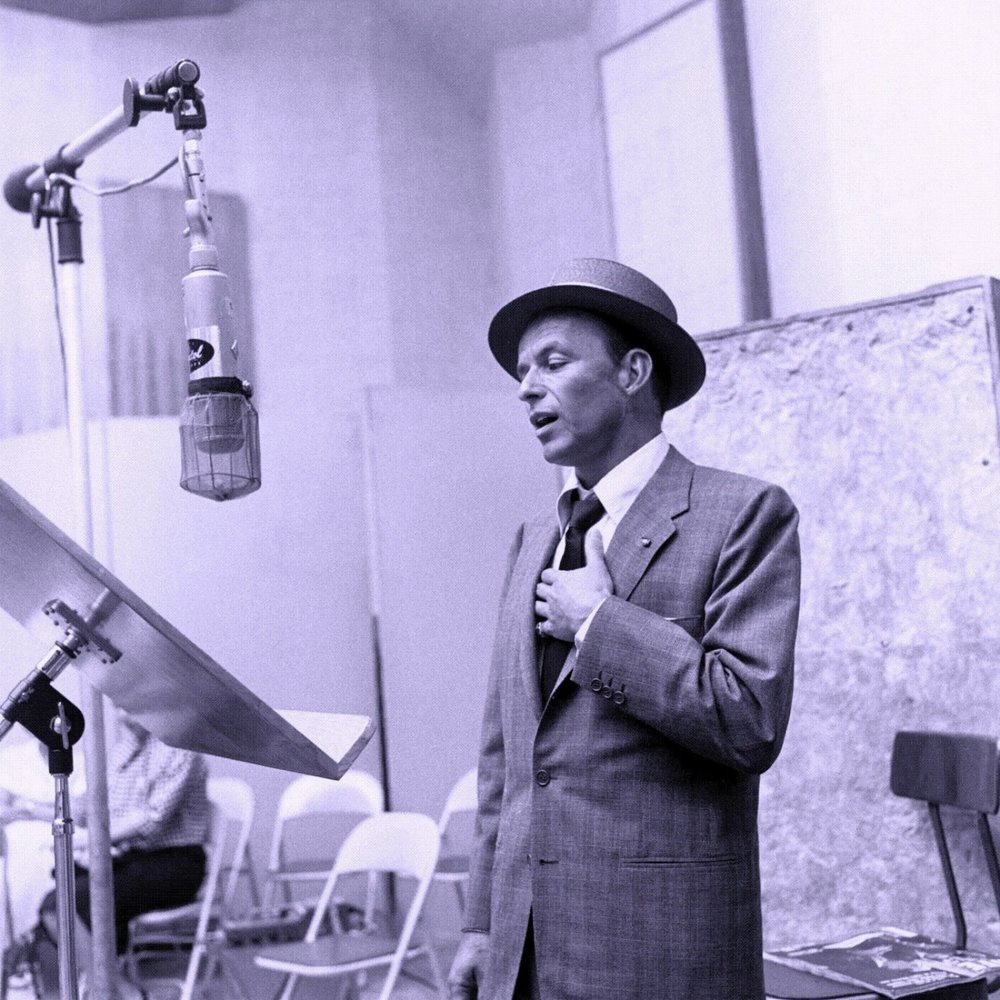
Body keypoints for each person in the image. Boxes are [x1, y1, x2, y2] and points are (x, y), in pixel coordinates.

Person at [447, 258, 801, 1000]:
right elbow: (505, 757)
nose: (526, 388)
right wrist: (482, 924)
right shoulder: (533, 539)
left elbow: (750, 721)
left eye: (553, 362)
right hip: (526, 955)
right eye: (522, 370)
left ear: (633, 372)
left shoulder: (743, 515)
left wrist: (600, 624)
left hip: (662, 953)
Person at [2, 710, 209, 991]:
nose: (121, 714)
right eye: (118, 707)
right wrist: (25, 807)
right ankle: (99, 979)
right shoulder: (125, 750)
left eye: (127, 706)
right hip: (129, 857)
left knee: (66, 903)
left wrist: (90, 841)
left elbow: (151, 819)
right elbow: (92, 807)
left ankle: (115, 990)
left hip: (174, 862)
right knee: (54, 889)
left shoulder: (178, 750)